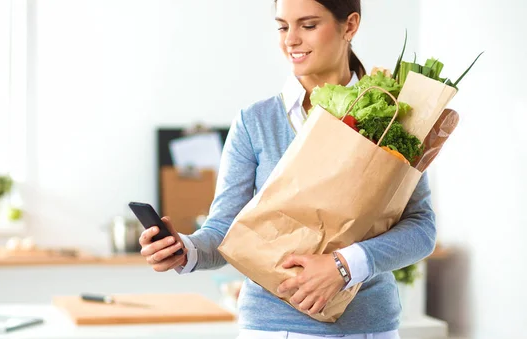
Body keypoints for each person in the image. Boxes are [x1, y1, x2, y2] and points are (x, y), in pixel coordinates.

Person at [138, 0, 436, 338]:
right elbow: (225, 229)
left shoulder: (393, 118)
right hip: (272, 328)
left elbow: (421, 230)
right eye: (283, 26)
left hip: (367, 328)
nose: (290, 40)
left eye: (308, 25)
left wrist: (346, 265)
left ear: (350, 26)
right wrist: (183, 251)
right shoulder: (256, 122)